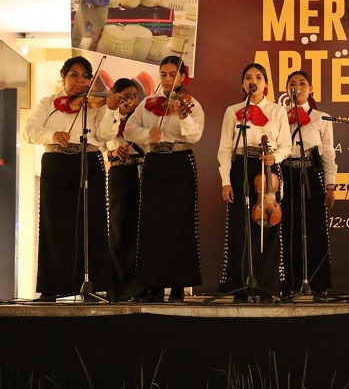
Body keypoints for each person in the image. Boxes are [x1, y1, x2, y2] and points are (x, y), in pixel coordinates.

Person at [23, 56, 121, 301]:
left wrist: (111, 110)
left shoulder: (95, 105)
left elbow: (105, 135)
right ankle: (51, 287)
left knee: (91, 223)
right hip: (56, 163)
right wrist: (53, 135)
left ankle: (92, 285)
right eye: (74, 75)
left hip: (89, 161)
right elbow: (29, 131)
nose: (80, 81)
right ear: (63, 76)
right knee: (54, 225)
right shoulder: (48, 103)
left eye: (86, 76)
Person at [123, 56, 204, 302]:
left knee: (180, 224)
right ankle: (154, 285)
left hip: (180, 162)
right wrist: (148, 133)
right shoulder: (148, 103)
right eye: (163, 74)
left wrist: (182, 116)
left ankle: (178, 287)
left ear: (182, 77)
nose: (167, 79)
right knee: (153, 225)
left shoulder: (191, 104)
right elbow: (129, 130)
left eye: (172, 74)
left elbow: (195, 136)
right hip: (154, 163)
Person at [217, 63, 292, 302]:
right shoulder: (233, 111)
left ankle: (267, 288)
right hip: (241, 167)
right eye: (248, 77)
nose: (254, 81)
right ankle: (240, 288)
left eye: (259, 77)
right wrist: (226, 181)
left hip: (267, 169)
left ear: (266, 84)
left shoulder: (278, 111)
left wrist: (274, 157)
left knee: (267, 227)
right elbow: (224, 149)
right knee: (240, 229)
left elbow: (286, 145)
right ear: (243, 84)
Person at [281, 71, 336, 295]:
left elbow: (328, 153)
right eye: (292, 84)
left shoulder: (321, 118)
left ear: (311, 89)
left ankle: (319, 285)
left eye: (303, 83)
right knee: (288, 229)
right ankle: (290, 285)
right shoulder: (279, 116)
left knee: (315, 229)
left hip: (311, 174)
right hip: (285, 173)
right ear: (287, 90)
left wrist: (330, 185)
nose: (297, 87)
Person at [103, 78, 143, 301]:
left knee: (140, 227)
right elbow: (99, 144)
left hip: (141, 170)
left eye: (135, 96)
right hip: (118, 172)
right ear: (116, 96)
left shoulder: (142, 116)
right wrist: (112, 153)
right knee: (118, 228)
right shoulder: (107, 116)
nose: (131, 101)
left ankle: (140, 287)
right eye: (126, 96)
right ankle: (117, 287)